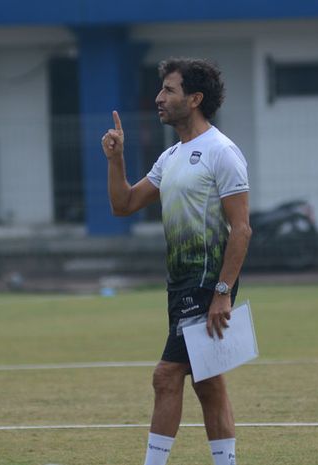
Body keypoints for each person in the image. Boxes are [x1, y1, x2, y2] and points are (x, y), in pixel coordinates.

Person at [102, 58, 250, 465]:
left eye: (169, 90)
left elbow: (241, 230)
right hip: (181, 284)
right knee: (208, 383)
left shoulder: (222, 151)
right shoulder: (170, 157)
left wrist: (222, 293)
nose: (158, 98)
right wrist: (116, 159)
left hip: (207, 283)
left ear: (195, 98)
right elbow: (124, 204)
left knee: (166, 375)